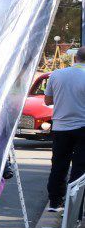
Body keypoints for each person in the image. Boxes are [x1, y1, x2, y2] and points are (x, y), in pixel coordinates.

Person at [45, 48, 85, 211]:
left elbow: (48, 100)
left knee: (58, 165)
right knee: (80, 168)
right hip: (82, 126)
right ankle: (73, 208)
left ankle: (55, 202)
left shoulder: (56, 74)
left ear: (75, 58)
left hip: (60, 127)